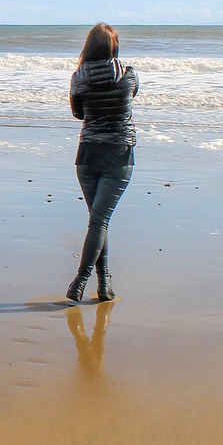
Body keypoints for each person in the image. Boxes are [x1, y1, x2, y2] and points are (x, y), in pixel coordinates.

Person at [66, 23, 138, 303]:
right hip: (119, 153)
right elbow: (130, 99)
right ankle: (82, 279)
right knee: (100, 220)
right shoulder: (129, 75)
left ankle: (104, 282)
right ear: (114, 47)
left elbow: (78, 114)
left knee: (98, 221)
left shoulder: (78, 77)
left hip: (88, 153)